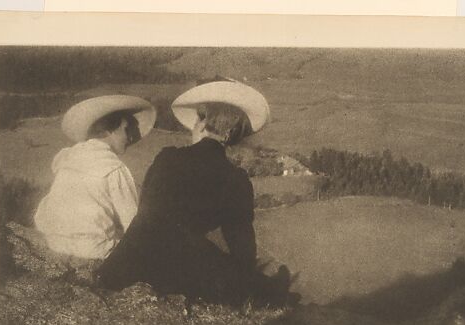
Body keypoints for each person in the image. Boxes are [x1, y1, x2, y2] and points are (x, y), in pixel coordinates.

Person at [97, 80, 295, 306]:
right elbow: (242, 248)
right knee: (232, 273)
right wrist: (245, 278)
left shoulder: (167, 157)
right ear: (231, 135)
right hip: (176, 270)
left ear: (201, 124)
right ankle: (272, 290)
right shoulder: (234, 178)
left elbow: (146, 213)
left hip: (124, 264)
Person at [34, 95, 156, 260]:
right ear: (108, 130)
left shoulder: (70, 158)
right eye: (126, 129)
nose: (131, 137)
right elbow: (133, 223)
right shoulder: (113, 167)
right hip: (92, 249)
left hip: (54, 242)